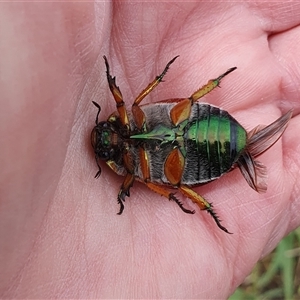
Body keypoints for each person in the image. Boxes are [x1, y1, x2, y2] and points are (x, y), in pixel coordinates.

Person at [1, 2, 299, 298]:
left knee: (177, 131)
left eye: (106, 134)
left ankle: (207, 193)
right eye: (106, 146)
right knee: (170, 180)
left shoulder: (127, 121)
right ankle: (206, 204)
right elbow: (143, 179)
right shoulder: (129, 167)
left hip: (199, 125)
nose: (109, 140)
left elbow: (128, 113)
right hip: (190, 154)